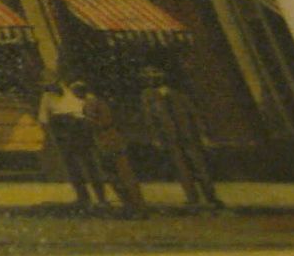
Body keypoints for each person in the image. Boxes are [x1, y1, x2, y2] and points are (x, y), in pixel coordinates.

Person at [141, 65, 221, 209]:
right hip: (169, 137)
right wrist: (156, 138)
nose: (152, 78)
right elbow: (150, 119)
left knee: (199, 165)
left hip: (188, 135)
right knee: (181, 168)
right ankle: (192, 199)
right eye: (148, 76)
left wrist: (202, 134)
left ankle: (211, 197)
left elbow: (194, 114)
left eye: (155, 74)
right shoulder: (148, 96)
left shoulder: (178, 94)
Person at [38, 76, 105, 207]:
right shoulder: (47, 96)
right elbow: (43, 118)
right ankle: (83, 197)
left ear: (59, 81)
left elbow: (91, 106)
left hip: (79, 128)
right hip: (60, 129)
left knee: (89, 163)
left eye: (52, 82)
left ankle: (101, 198)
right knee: (72, 166)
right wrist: (53, 136)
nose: (50, 86)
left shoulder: (75, 90)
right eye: (46, 84)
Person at [81, 81, 144, 212]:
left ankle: (132, 205)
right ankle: (135, 204)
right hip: (113, 138)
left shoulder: (92, 103)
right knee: (123, 173)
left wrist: (84, 123)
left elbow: (95, 123)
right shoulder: (104, 102)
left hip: (105, 140)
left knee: (116, 174)